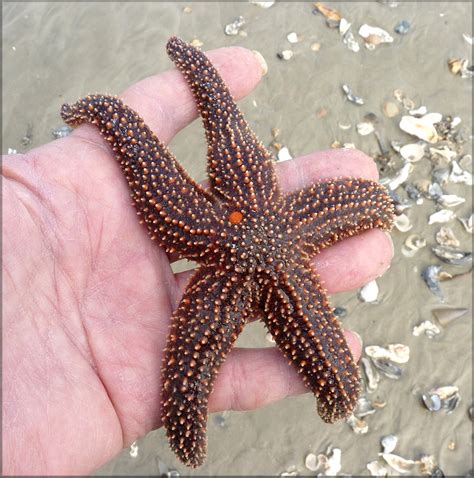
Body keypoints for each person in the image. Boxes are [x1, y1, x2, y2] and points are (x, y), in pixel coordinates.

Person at [2, 45, 394, 475]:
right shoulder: (247, 202)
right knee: (209, 122)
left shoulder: (216, 216)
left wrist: (106, 111)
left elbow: (214, 131)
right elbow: (204, 133)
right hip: (263, 245)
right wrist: (107, 114)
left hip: (247, 248)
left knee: (216, 120)